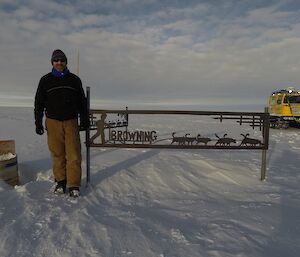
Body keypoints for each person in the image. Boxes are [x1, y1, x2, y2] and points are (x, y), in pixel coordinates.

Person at [34, 49, 87, 198]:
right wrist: (38, 123)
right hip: (52, 122)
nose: (59, 63)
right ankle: (61, 182)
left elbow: (82, 102)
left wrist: (84, 120)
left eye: (62, 60)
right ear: (52, 62)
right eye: (56, 60)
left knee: (74, 155)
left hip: (71, 121)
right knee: (57, 154)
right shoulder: (45, 80)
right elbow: (38, 103)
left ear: (66, 62)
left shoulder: (74, 80)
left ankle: (74, 185)